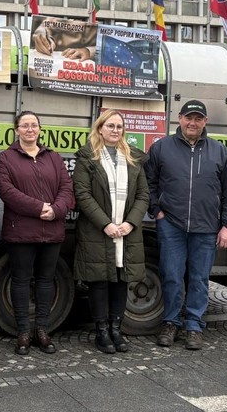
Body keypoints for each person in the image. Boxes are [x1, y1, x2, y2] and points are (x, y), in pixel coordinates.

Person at [146, 100, 227, 351]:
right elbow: (148, 182)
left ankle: (194, 325)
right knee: (171, 276)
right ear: (179, 118)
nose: (193, 122)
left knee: (200, 279)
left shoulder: (220, 152)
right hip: (172, 225)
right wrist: (156, 210)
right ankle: (170, 322)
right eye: (188, 117)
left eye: (198, 118)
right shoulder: (162, 148)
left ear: (205, 122)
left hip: (206, 226)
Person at [0, 110, 75, 356]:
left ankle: (42, 329)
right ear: (16, 129)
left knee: (45, 281)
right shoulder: (7, 158)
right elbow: (6, 191)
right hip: (21, 232)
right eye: (25, 125)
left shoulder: (53, 157)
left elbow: (67, 187)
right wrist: (39, 208)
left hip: (51, 230)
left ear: (40, 129)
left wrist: (57, 210)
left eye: (34, 125)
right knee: (19, 281)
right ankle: (23, 332)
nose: (30, 129)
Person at [72, 110, 150, 354]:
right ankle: (102, 332)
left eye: (119, 126)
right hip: (98, 230)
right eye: (110, 126)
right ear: (100, 129)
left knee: (121, 280)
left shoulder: (134, 158)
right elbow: (82, 194)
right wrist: (106, 224)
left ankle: (116, 329)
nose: (115, 130)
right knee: (99, 281)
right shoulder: (87, 158)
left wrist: (130, 223)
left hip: (126, 231)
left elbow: (143, 194)